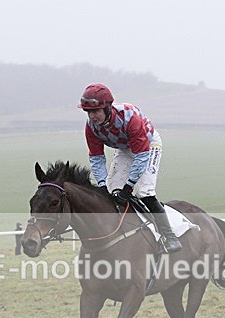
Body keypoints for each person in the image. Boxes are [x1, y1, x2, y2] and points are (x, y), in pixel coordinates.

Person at [78, 83, 182, 253]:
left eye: (95, 111)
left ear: (108, 108)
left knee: (144, 191)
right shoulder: (91, 127)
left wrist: (128, 187)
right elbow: (96, 158)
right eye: (88, 112)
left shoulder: (129, 117)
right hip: (124, 148)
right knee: (111, 191)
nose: (92, 116)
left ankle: (170, 236)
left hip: (148, 146)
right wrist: (103, 185)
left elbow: (141, 156)